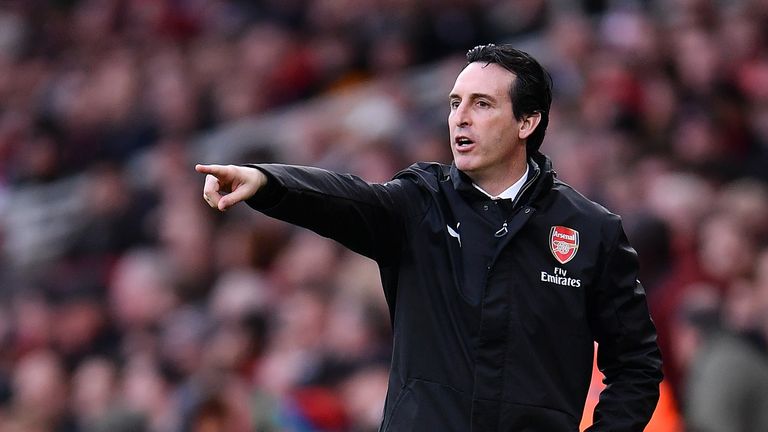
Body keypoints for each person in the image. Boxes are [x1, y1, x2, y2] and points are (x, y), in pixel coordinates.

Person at [196, 44, 663, 431]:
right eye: (455, 103)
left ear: (527, 122)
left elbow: (636, 365)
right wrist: (268, 182)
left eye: (482, 104)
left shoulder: (591, 230)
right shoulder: (421, 203)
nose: (460, 117)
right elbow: (348, 199)